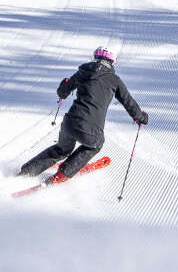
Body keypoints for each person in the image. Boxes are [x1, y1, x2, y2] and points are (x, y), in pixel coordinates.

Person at [17, 47, 147, 181]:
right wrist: (141, 117)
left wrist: (64, 84)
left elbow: (62, 93)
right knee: (96, 144)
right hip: (91, 128)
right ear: (112, 62)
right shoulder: (114, 80)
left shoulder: (83, 71)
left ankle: (26, 171)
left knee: (62, 149)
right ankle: (62, 174)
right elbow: (128, 102)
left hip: (70, 122)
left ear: (95, 58)